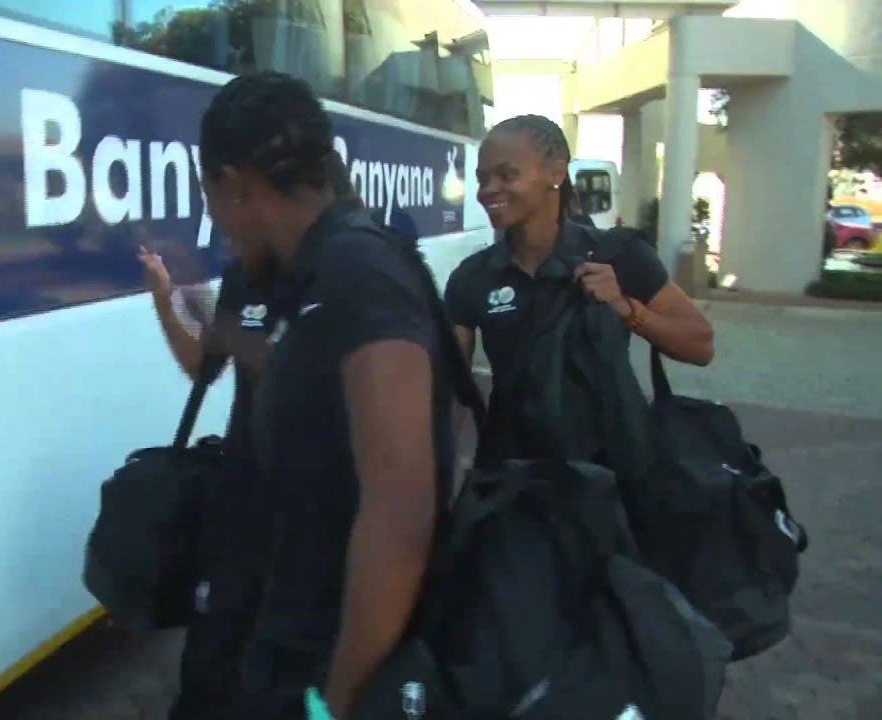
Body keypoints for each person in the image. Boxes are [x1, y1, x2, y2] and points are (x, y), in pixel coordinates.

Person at [195, 70, 457, 719]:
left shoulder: (356, 272)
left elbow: (400, 514)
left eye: (209, 195)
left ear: (233, 184)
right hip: (287, 631)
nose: (212, 219)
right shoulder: (302, 274)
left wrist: (337, 704)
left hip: (325, 659)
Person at [443, 113, 714, 464]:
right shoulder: (473, 277)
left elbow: (701, 345)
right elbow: (452, 392)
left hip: (611, 483)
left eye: (507, 175)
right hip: (513, 483)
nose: (489, 190)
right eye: (482, 179)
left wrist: (627, 309)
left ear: (556, 174)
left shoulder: (619, 254)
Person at [136, 243, 279, 719]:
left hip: (310, 503)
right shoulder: (246, 280)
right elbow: (203, 366)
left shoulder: (343, 278)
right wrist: (165, 300)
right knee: (214, 636)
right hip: (243, 491)